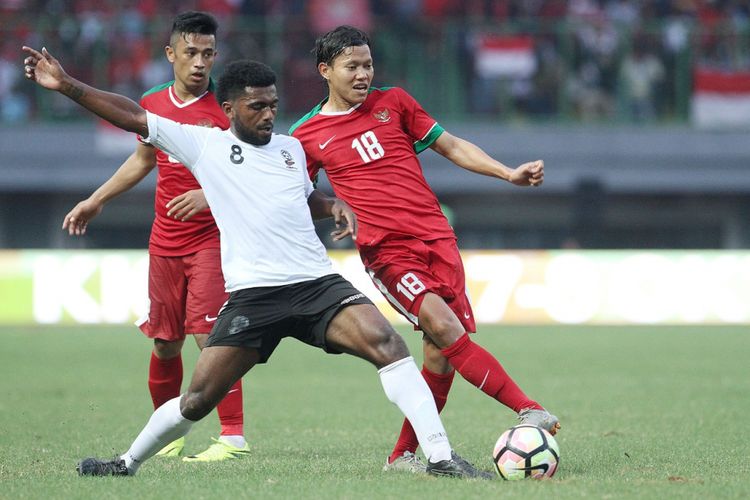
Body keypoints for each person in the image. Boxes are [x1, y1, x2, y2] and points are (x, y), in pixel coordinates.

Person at [22, 45, 493, 479]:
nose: (269, 115)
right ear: (228, 109)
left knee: (388, 344)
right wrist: (67, 85)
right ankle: (126, 463)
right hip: (254, 295)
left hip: (316, 285)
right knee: (197, 400)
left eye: (272, 105)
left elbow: (303, 197)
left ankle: (439, 457)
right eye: (257, 107)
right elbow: (131, 116)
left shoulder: (290, 149)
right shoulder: (202, 145)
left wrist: (332, 206)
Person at [289, 25, 560, 473]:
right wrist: (334, 209)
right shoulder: (306, 134)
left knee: (439, 353)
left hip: (437, 239)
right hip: (388, 252)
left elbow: (451, 146)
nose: (362, 75)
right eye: (351, 66)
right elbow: (295, 194)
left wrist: (507, 173)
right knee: (445, 328)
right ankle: (528, 408)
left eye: (368, 65)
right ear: (325, 71)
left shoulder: (393, 102)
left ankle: (401, 457)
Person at [61, 12, 248, 463]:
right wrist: (97, 198)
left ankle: (233, 438)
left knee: (211, 338)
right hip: (165, 240)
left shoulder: (228, 107)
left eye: (207, 53)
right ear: (171, 55)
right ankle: (169, 436)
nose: (200, 63)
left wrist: (209, 193)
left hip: (212, 239)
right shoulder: (152, 104)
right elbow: (144, 160)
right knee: (165, 341)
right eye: (190, 53)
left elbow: (248, 170)